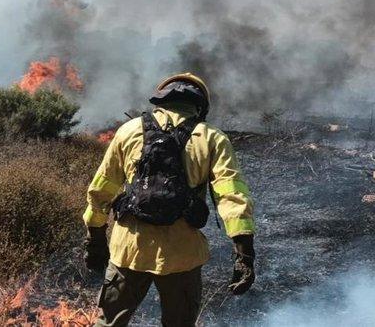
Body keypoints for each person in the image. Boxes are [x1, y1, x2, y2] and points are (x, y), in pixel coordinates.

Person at [83, 72, 256, 327]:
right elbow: (231, 195)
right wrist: (244, 254)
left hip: (128, 249)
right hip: (182, 255)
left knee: (108, 324)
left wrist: (95, 238)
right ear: (200, 105)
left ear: (161, 98)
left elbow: (101, 191)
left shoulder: (128, 131)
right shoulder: (212, 138)